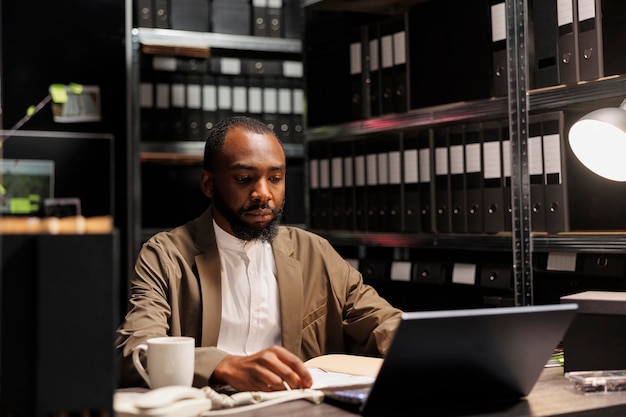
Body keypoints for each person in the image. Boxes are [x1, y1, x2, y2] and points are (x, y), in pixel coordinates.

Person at [116, 115, 402, 392]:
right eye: (243, 178)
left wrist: (432, 349)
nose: (263, 193)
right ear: (208, 184)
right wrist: (222, 366)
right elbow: (134, 351)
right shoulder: (166, 254)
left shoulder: (314, 252)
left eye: (275, 178)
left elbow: (383, 323)